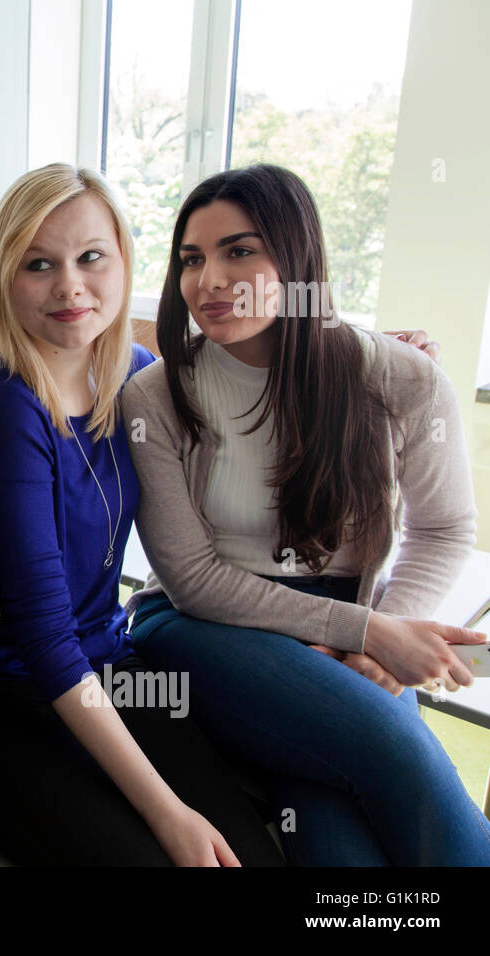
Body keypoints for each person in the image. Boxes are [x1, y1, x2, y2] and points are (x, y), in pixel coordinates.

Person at [122, 163, 490, 865]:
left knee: (337, 842)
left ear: (297, 257)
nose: (208, 281)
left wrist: (378, 637)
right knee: (393, 750)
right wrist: (371, 632)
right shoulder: (156, 396)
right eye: (191, 259)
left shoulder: (401, 377)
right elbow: (194, 577)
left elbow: (442, 528)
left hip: (353, 629)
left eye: (239, 250)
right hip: (203, 628)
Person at [0, 163, 284, 866]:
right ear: (5, 282)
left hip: (115, 665)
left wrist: (374, 352)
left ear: (124, 261)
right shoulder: (7, 406)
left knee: (252, 852)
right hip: (15, 694)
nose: (70, 287)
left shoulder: (138, 374)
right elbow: (42, 639)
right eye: (38, 265)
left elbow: (258, 362)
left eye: (90, 257)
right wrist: (167, 814)